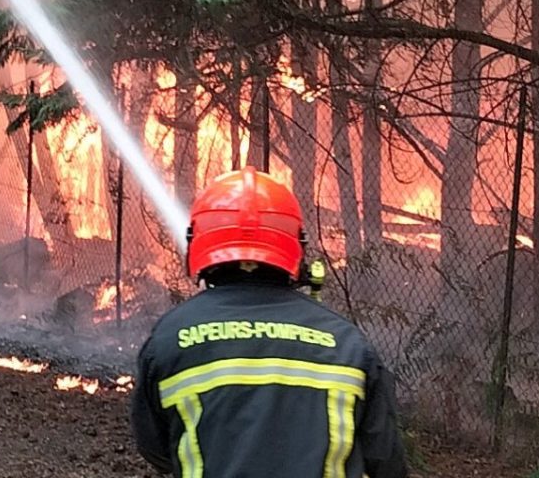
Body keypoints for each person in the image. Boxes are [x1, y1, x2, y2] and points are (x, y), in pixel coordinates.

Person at [130, 166, 408, 478]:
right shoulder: (348, 345)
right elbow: (387, 462)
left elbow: (156, 450)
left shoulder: (169, 340)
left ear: (199, 242)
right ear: (295, 246)